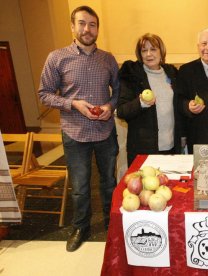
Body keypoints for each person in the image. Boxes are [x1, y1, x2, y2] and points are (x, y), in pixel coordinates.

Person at [38, 6, 119, 252]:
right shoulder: (57, 57)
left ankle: (111, 223)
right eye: (82, 23)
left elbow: (118, 91)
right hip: (75, 132)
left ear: (97, 29)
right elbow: (44, 94)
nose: (87, 29)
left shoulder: (108, 58)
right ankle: (81, 227)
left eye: (92, 24)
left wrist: (109, 105)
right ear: (72, 27)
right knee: (81, 187)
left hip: (105, 131)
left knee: (109, 182)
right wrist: (73, 104)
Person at [117, 33, 184, 166]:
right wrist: (141, 103)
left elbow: (178, 106)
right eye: (144, 50)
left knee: (169, 185)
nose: (148, 54)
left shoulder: (172, 73)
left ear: (161, 51)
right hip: (144, 149)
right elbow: (121, 111)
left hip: (170, 146)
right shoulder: (132, 75)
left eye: (153, 49)